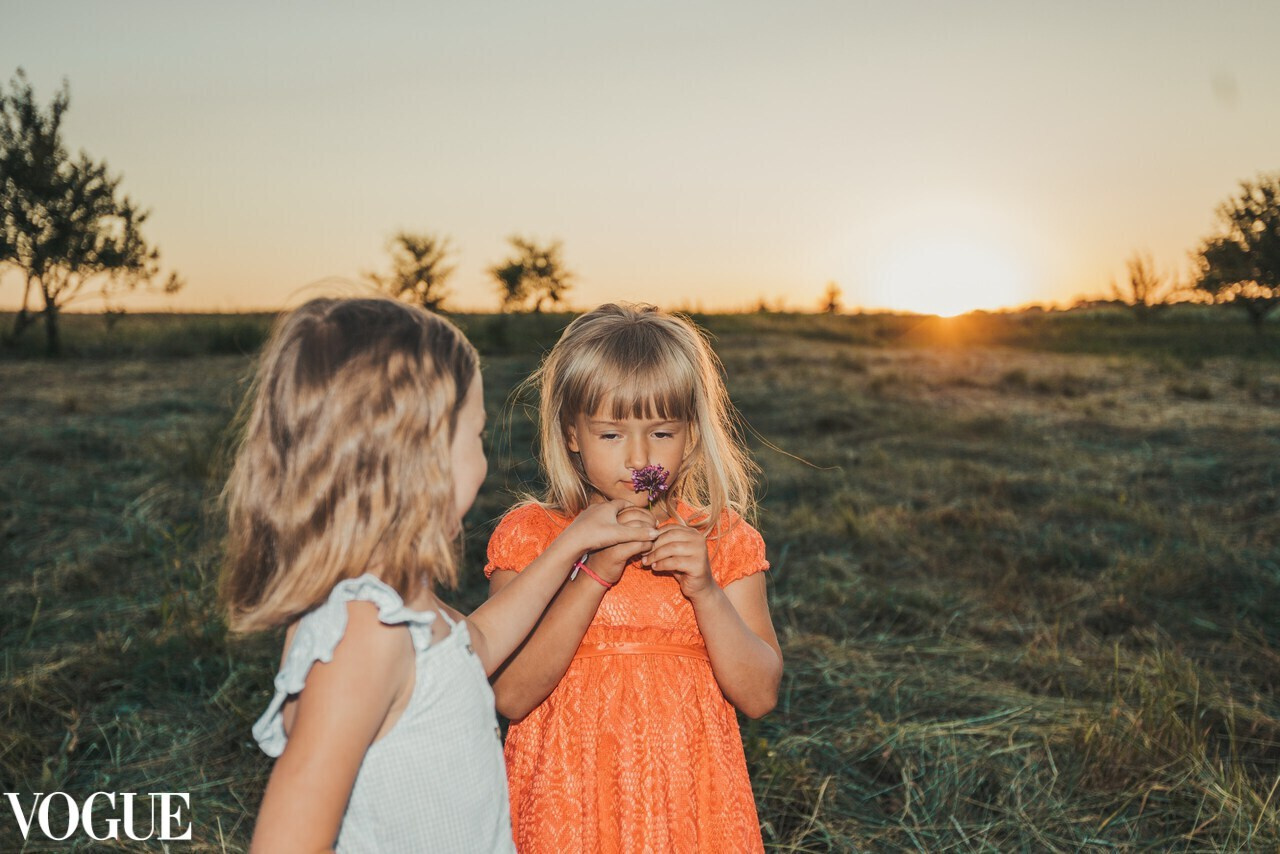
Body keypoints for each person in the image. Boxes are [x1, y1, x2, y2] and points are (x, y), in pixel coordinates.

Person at [220, 298, 657, 853]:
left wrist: (574, 543)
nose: (483, 458)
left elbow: (479, 642)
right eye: (473, 436)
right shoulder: (363, 636)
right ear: (419, 459)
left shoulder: (401, 606)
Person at [486, 302, 783, 852]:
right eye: (610, 435)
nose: (639, 456)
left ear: (692, 435)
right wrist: (594, 572)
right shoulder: (533, 536)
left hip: (692, 804)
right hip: (567, 800)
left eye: (662, 433)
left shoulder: (722, 539)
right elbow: (510, 695)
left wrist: (706, 593)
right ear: (572, 434)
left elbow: (760, 695)